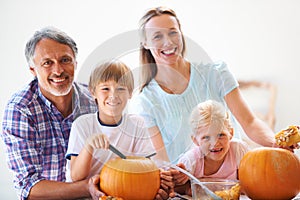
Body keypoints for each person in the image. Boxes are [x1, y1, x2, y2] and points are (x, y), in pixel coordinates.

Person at [129, 6, 276, 163]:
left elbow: (249, 121)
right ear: (145, 43)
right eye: (157, 36)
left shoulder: (216, 73)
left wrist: (276, 143)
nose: (168, 42)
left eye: (173, 32)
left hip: (233, 177)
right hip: (184, 185)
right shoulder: (144, 102)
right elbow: (161, 161)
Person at [0, 26, 100, 200]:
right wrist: (88, 187)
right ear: (33, 70)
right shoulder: (20, 109)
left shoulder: (95, 99)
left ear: (75, 63)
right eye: (47, 63)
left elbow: (119, 153)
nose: (58, 70)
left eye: (65, 60)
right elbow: (28, 187)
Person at [65, 60, 156, 182]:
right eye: (105, 88)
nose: (113, 95)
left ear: (130, 93)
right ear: (93, 92)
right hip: (85, 194)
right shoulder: (82, 125)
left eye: (120, 89)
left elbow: (146, 167)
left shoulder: (137, 124)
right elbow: (76, 176)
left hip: (121, 190)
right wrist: (88, 146)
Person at [172, 100, 249, 195]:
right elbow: (176, 187)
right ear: (195, 140)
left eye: (221, 135)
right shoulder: (191, 160)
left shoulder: (238, 150)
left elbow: (250, 181)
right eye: (206, 137)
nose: (215, 143)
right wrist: (187, 188)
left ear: (231, 133)